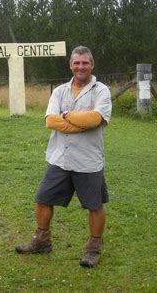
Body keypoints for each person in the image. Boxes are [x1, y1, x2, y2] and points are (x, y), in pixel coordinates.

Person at [15, 45, 112, 268]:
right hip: (59, 158)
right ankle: (42, 242)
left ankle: (94, 249)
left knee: (94, 205)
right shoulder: (59, 91)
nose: (80, 67)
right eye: (76, 63)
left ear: (92, 65)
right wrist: (79, 124)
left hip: (88, 160)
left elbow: (95, 119)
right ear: (70, 65)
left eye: (84, 63)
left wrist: (67, 116)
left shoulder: (101, 91)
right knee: (42, 200)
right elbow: (50, 120)